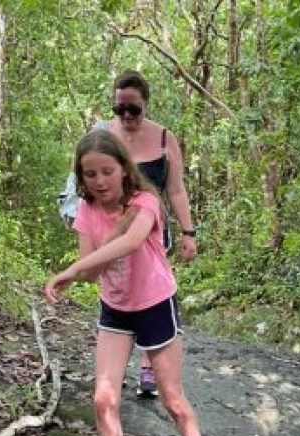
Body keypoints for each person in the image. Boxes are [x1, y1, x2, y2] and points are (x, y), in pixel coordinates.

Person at [44, 129, 224, 436]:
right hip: (115, 308)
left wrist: (72, 269)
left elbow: (131, 242)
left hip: (155, 304)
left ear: (123, 169)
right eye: (89, 175)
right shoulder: (87, 212)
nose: (99, 181)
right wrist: (94, 253)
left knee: (173, 400)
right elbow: (94, 274)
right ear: (81, 179)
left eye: (106, 171)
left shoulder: (146, 200)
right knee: (103, 397)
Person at [107, 69, 197, 399]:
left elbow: (175, 190)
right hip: (114, 232)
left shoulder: (164, 138)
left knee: (152, 296)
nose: (127, 116)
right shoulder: (105, 136)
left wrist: (189, 232)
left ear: (146, 105)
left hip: (153, 234)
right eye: (120, 109)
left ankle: (148, 367)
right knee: (117, 297)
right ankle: (114, 367)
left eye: (134, 109)